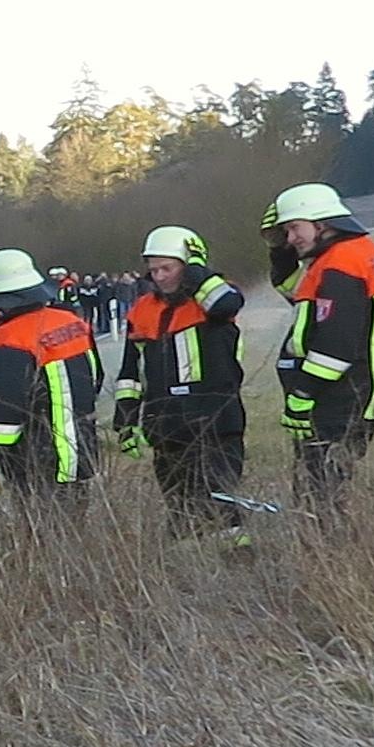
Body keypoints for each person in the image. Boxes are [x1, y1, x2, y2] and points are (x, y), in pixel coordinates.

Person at [263, 182, 374, 505]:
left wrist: (302, 393)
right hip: (342, 391)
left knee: (320, 495)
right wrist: (277, 249)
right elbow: (300, 295)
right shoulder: (335, 258)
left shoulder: (343, 264)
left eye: (294, 228)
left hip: (343, 393)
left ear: (321, 223)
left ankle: (329, 552)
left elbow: (335, 347)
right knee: (319, 487)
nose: (291, 237)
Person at [114, 224, 247, 527]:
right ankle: (190, 562)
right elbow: (130, 373)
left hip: (215, 421)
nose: (159, 277)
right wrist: (126, 421)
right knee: (180, 507)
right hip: (166, 426)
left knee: (218, 501)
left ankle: (238, 558)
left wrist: (198, 270)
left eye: (167, 268)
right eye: (154, 270)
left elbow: (227, 304)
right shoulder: (143, 310)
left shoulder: (214, 299)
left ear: (189, 266)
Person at [0, 247, 101, 502]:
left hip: (36, 460)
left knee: (40, 532)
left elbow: (6, 411)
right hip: (81, 450)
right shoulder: (73, 323)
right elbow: (96, 378)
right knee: (75, 527)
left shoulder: (12, 338)